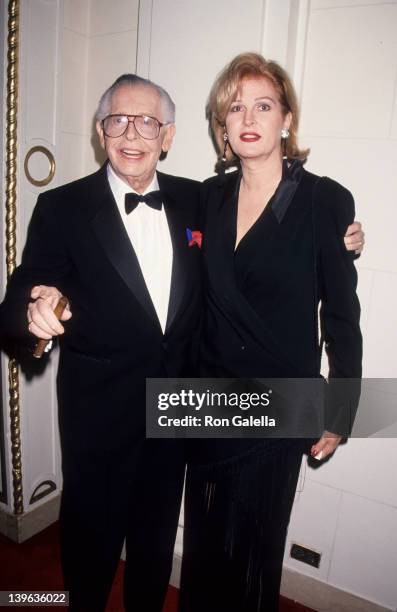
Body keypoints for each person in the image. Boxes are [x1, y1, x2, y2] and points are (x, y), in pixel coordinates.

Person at [0, 74, 202, 611]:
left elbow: (262, 212)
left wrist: (333, 232)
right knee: (90, 553)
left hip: (176, 412)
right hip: (98, 421)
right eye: (118, 120)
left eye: (147, 122)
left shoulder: (198, 200)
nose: (131, 133)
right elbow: (21, 294)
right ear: (99, 131)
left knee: (156, 549)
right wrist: (32, 314)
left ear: (168, 135)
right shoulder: (62, 208)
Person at [178, 53, 363, 612]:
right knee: (205, 547)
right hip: (208, 400)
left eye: (263, 104)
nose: (248, 116)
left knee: (254, 553)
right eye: (235, 107)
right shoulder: (204, 199)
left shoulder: (324, 200)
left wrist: (340, 409)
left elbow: (341, 315)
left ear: (287, 119)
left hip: (280, 403)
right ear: (222, 127)